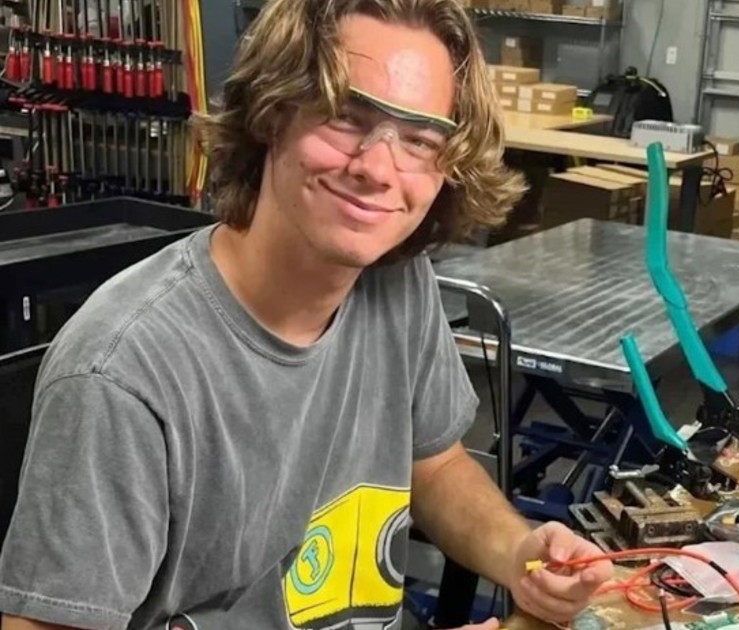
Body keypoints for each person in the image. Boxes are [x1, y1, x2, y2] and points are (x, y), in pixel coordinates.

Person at [0, 1, 614, 628]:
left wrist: (519, 555)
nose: (377, 168)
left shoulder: (395, 281)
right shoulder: (123, 372)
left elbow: (435, 464)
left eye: (419, 140)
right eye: (345, 117)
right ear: (272, 113)